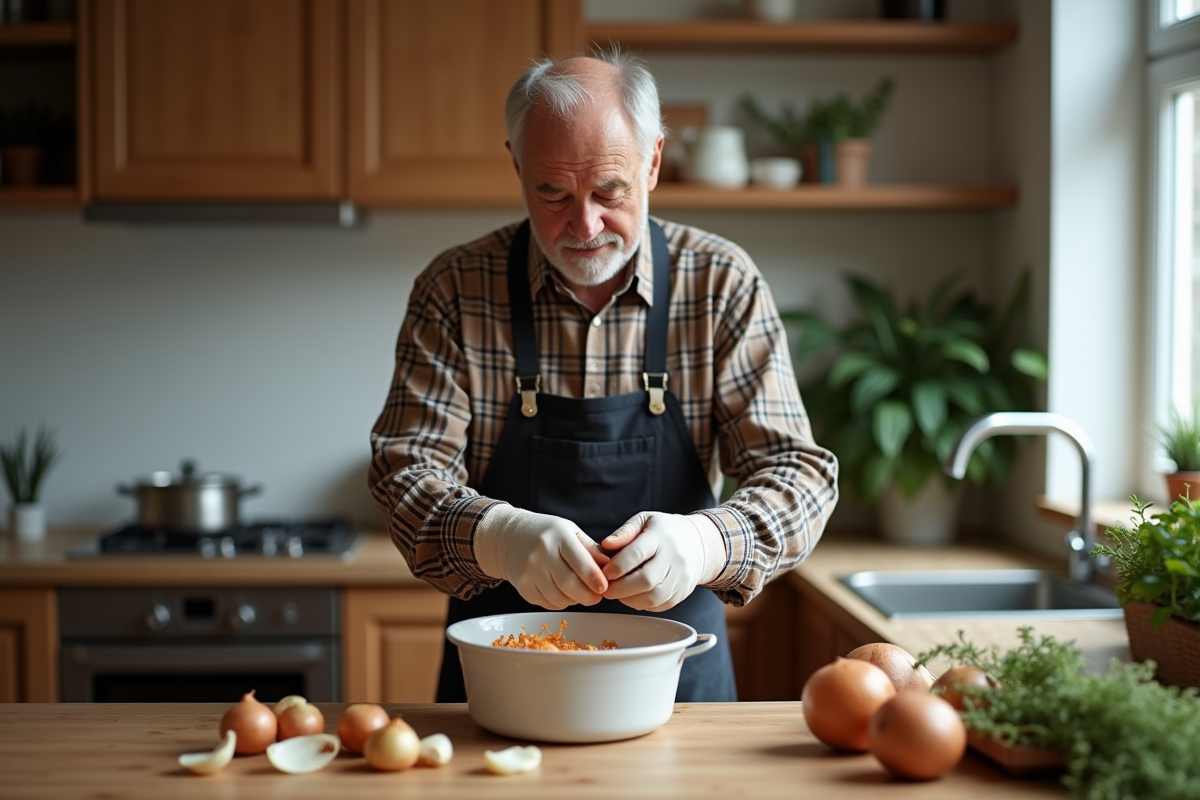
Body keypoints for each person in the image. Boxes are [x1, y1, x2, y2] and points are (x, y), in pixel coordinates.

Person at [368, 49, 838, 703]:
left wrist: (704, 542)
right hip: (506, 678)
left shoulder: (720, 283)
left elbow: (800, 476)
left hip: (678, 682)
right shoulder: (455, 288)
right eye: (552, 193)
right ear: (516, 166)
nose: (584, 226)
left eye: (609, 192)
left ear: (652, 160)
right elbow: (403, 473)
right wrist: (500, 539)